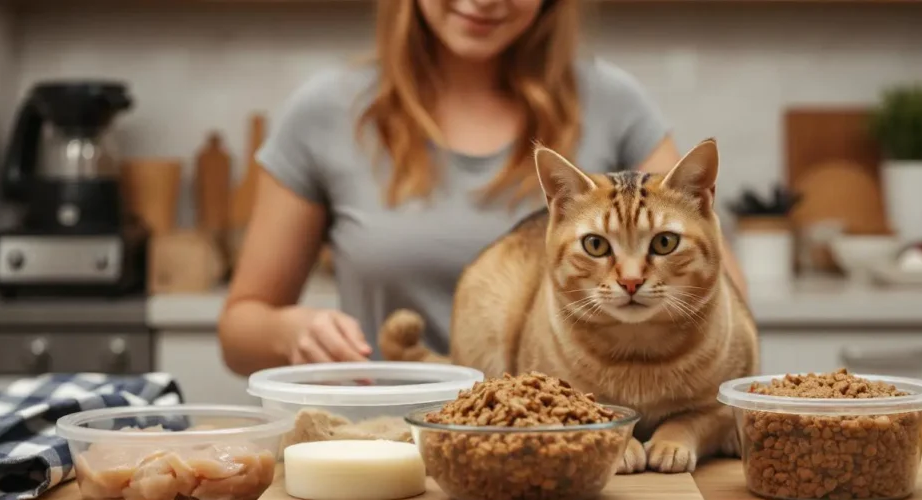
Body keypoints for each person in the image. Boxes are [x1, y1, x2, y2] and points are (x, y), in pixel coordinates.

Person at [218, 0, 748, 376]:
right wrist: (292, 331)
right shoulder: (325, 111)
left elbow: (726, 291)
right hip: (386, 438)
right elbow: (239, 330)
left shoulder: (612, 101)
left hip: (577, 438)